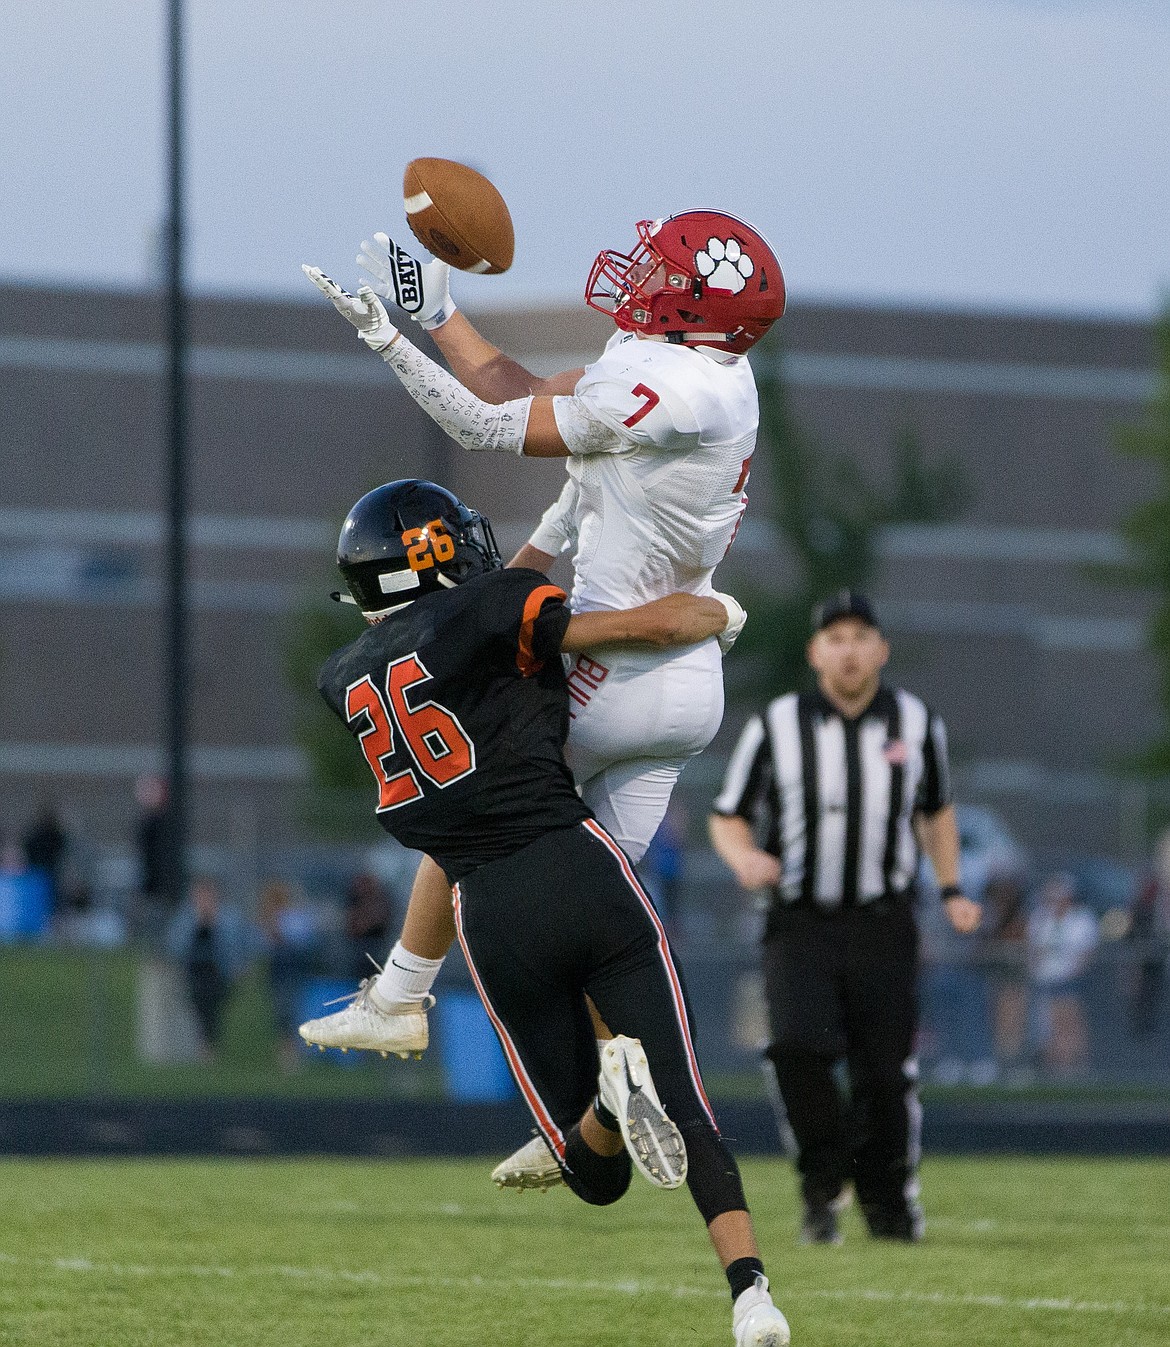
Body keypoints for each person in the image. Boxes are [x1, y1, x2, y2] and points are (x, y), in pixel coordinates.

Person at [301, 209, 782, 1186]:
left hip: (615, 667)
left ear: (700, 306)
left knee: (480, 810)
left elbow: (487, 417)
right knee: (588, 906)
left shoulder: (673, 383)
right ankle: (601, 1110)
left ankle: (399, 994)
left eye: (663, 269)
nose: (638, 273)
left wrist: (393, 332)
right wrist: (444, 311)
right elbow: (532, 397)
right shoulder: (708, 378)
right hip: (687, 698)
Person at [302, 479, 791, 1347]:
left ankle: (601, 1103)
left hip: (489, 915)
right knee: (686, 1097)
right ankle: (750, 1294)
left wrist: (549, 531)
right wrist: (713, 614)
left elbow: (459, 621)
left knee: (591, 1175)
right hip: (582, 869)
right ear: (438, 552)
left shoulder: (344, 678)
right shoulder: (490, 608)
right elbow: (631, 627)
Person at [708, 591, 981, 1246]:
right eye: (836, 637)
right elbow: (728, 811)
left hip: (884, 923)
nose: (849, 648)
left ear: (881, 649)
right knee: (798, 1049)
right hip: (800, 922)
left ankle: (889, 1206)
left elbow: (937, 810)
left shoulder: (916, 722)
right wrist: (744, 857)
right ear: (815, 652)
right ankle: (823, 1182)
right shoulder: (777, 724)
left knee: (885, 1073)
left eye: (861, 635)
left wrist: (951, 888)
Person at [165, 875, 257, 1062]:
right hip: (195, 972)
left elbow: (246, 942)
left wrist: (242, 965)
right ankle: (206, 1050)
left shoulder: (229, 918)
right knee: (200, 1008)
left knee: (214, 1009)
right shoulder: (186, 918)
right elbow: (174, 946)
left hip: (220, 972)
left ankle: (208, 1048)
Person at [1026, 872, 1099, 1078]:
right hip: (1045, 978)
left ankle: (1074, 1066)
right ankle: (1054, 1068)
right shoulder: (1041, 918)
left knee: (1069, 1020)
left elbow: (1086, 950)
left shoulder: (1081, 918)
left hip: (1069, 979)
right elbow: (1034, 948)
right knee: (1047, 1023)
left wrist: (1073, 971)